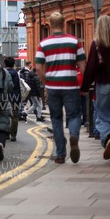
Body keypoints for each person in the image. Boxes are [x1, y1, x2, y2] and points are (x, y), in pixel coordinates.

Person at [35, 12, 85, 164]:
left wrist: (46, 81)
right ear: (63, 24)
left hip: (53, 86)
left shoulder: (43, 44)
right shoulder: (75, 41)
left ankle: (61, 154)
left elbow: (38, 67)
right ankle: (74, 135)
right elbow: (83, 66)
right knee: (74, 116)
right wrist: (86, 85)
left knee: (56, 119)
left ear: (50, 25)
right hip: (71, 85)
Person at [81, 15, 110, 161]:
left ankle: (107, 137)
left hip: (103, 86)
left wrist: (84, 87)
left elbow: (91, 68)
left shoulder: (97, 44)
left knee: (102, 117)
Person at [4, 57, 21, 141]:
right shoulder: (16, 73)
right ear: (13, 64)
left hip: (4, 97)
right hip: (15, 97)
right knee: (14, 116)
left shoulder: (3, 73)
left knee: (5, 115)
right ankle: (13, 135)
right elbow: (18, 86)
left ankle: (6, 133)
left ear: (5, 64)